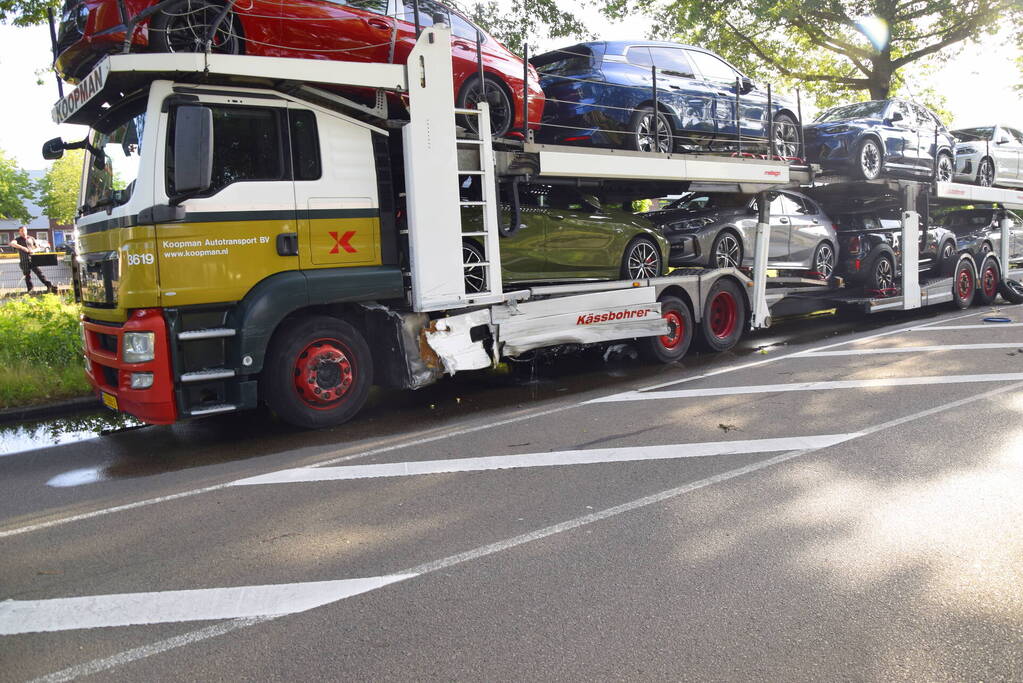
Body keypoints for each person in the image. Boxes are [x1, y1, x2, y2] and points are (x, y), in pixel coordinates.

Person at [9, 226, 56, 294]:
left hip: (33, 259)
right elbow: (12, 243)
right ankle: (30, 290)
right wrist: (23, 248)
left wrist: (33, 250)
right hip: (24, 260)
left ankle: (49, 286)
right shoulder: (17, 239)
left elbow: (38, 248)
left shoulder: (31, 238)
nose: (23, 232)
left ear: (26, 231)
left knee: (39, 273)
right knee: (27, 276)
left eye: (24, 230)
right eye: (21, 231)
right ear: (19, 232)